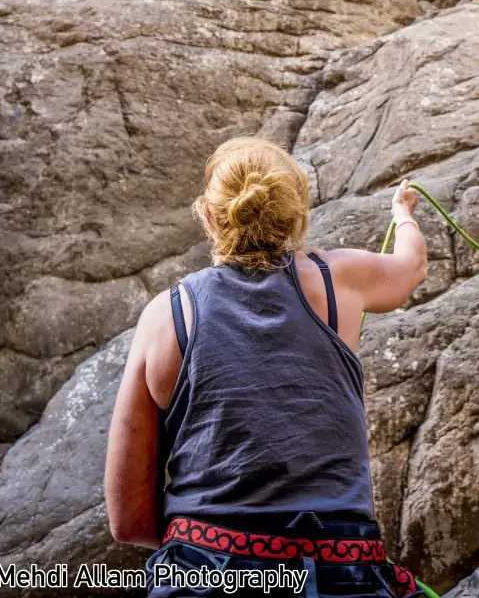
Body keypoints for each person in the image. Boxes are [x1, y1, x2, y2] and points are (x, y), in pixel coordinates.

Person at [105, 136, 429, 598]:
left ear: (210, 217)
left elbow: (128, 520)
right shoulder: (341, 279)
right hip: (342, 576)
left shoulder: (167, 315)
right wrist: (403, 213)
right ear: (299, 217)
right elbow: (411, 266)